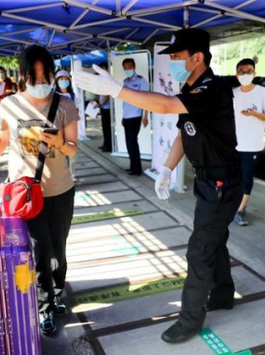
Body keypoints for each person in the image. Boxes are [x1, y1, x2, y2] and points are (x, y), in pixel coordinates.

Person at [73, 28, 242, 344]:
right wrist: (166, 167)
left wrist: (116, 90)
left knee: (200, 249)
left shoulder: (212, 89)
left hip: (222, 180)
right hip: (210, 179)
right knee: (213, 239)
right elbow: (184, 133)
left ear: (197, 57)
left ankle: (190, 319)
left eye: (178, 56)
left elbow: (163, 106)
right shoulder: (190, 87)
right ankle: (222, 294)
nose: (174, 61)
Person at [0, 45, 78, 337]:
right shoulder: (8, 105)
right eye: (34, 75)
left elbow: (73, 146)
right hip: (25, 195)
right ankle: (44, 305)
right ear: (23, 76)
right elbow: (1, 141)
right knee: (38, 251)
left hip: (60, 190)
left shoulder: (65, 103)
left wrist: (58, 141)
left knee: (58, 249)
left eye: (45, 74)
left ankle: (56, 293)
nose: (41, 80)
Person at [232, 58, 265, 226]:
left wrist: (254, 114)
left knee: (246, 178)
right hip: (233, 144)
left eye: (249, 71)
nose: (245, 74)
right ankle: (231, 206)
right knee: (231, 178)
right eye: (242, 71)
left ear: (254, 73)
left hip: (252, 144)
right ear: (236, 74)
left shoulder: (262, 92)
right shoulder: (233, 93)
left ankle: (241, 210)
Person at [121, 58, 149, 175]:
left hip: (136, 116)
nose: (128, 69)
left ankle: (137, 169)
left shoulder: (141, 80)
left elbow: (147, 99)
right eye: (125, 68)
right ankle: (133, 166)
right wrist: (123, 117)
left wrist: (145, 116)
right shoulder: (125, 81)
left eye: (129, 67)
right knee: (128, 143)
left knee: (133, 142)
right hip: (127, 117)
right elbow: (125, 102)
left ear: (134, 67)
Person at [97, 62, 112, 152]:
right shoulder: (102, 80)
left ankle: (109, 145)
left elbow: (106, 96)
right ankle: (105, 143)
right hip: (103, 108)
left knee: (107, 128)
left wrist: (100, 104)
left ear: (107, 69)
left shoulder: (108, 80)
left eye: (103, 69)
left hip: (107, 109)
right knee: (104, 128)